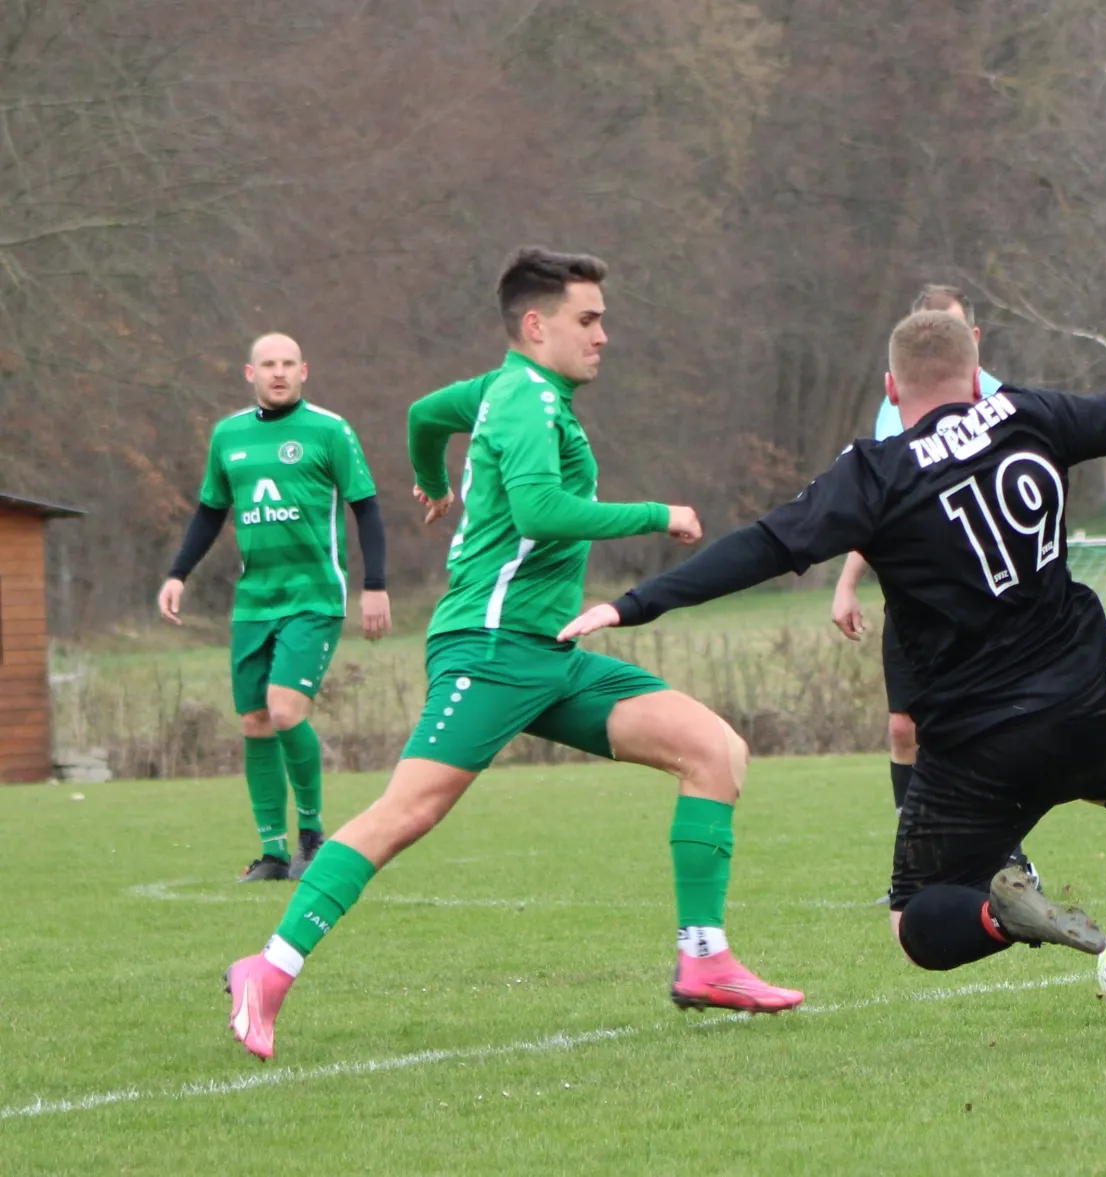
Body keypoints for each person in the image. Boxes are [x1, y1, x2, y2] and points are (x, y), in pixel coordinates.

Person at [562, 310, 1106, 972]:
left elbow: (766, 545)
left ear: (892, 388)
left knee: (915, 916)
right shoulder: (1030, 414)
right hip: (1084, 702)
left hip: (980, 743)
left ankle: (1001, 911)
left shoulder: (875, 473)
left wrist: (636, 603)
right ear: (977, 375)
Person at [223, 248, 802, 1062]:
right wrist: (657, 513)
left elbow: (425, 414)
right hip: (489, 649)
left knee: (715, 749)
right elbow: (538, 508)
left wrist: (433, 481)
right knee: (407, 812)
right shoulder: (525, 399)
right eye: (587, 320)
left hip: (550, 649)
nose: (602, 336)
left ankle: (704, 958)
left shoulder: (505, 389)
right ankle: (269, 968)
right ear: (536, 325)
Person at [158, 333, 390, 883]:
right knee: (255, 720)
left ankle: (311, 835)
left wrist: (375, 584)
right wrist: (177, 574)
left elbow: (366, 508)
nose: (278, 372)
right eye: (268, 364)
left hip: (314, 596)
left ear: (304, 371)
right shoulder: (228, 435)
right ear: (250, 373)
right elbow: (210, 512)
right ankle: (273, 853)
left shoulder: (330, 430)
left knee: (285, 711)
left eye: (288, 364)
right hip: (253, 602)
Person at [830, 283, 1033, 895]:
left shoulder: (998, 401)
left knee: (977, 728)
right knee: (903, 728)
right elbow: (879, 504)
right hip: (913, 597)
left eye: (952, 329)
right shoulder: (895, 403)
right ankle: (917, 853)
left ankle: (1010, 860)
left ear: (974, 337)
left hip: (981, 598)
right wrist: (847, 582)